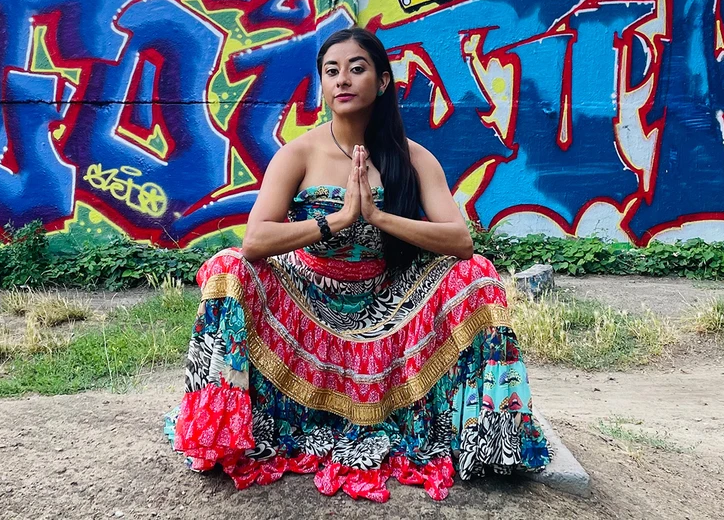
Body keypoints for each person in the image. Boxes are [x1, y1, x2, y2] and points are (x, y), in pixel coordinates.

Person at [164, 27, 551, 502]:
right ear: (322, 86)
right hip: (308, 296)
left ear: (383, 81)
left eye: (357, 68)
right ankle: (227, 429)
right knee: (227, 268)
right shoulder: (300, 153)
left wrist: (377, 216)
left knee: (479, 277)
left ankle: (489, 437)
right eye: (331, 71)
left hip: (385, 301)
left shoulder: (413, 158)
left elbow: (460, 241)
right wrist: (339, 219)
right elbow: (255, 240)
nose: (343, 79)